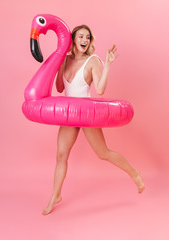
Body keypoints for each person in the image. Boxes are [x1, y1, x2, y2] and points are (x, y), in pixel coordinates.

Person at [42, 25, 145, 215]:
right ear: (73, 39)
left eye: (87, 37)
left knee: (103, 153)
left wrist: (107, 65)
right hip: (68, 114)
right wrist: (58, 64)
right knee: (61, 155)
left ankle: (135, 174)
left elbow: (100, 89)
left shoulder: (93, 60)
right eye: (81, 36)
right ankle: (55, 195)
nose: (85, 40)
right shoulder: (65, 60)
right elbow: (58, 88)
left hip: (87, 113)